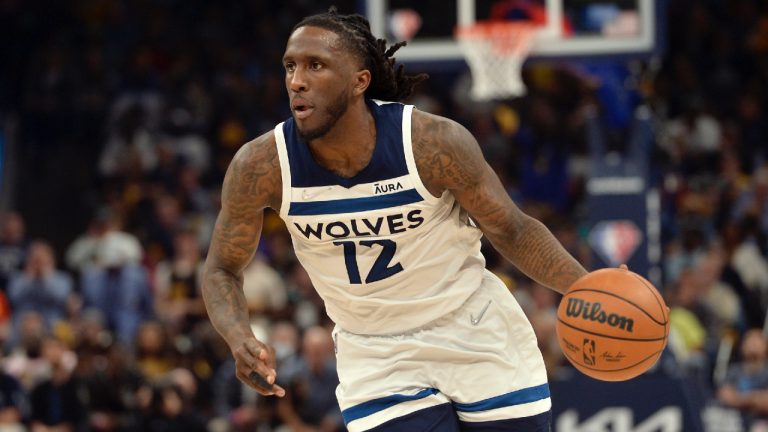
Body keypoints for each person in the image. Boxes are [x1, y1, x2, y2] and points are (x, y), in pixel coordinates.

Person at [202, 7, 587, 432]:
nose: (297, 80)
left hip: (472, 327)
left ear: (359, 81)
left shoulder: (431, 143)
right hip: (375, 352)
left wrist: (587, 289)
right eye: (290, 66)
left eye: (316, 65)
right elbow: (221, 268)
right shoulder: (262, 166)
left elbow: (512, 229)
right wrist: (240, 338)